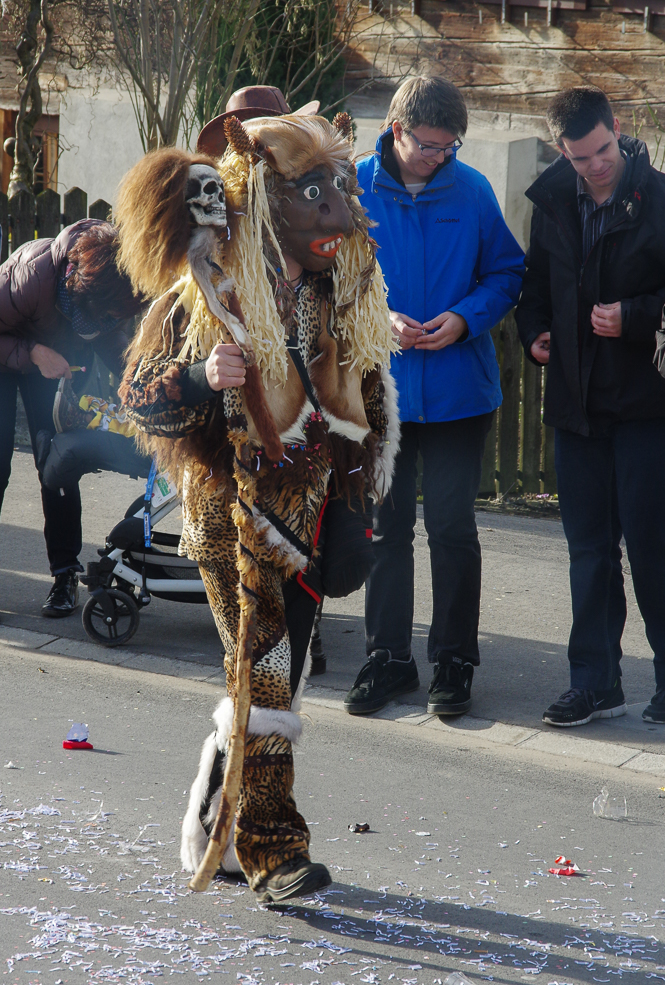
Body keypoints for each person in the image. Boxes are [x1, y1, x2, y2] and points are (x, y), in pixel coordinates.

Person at [116, 111, 398, 901]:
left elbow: (361, 412)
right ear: (264, 199)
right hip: (233, 522)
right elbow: (139, 398)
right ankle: (273, 851)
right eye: (314, 193)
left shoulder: (334, 294)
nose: (337, 210)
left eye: (338, 188)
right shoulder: (204, 294)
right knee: (268, 679)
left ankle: (216, 822)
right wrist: (204, 377)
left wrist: (355, 503)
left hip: (307, 523)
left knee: (277, 681)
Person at [343, 75, 524, 718]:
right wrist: (379, 316)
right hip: (379, 391)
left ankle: (454, 662)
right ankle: (388, 658)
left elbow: (508, 272)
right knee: (386, 529)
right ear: (396, 130)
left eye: (449, 146)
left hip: (458, 395)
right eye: (428, 144)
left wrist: (466, 318)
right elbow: (329, 275)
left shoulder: (471, 191)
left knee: (451, 528)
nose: (439, 156)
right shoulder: (352, 188)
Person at [515, 86, 665, 727]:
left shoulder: (661, 199)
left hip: (647, 408)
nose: (596, 165)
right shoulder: (549, 201)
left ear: (618, 129)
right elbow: (534, 287)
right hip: (575, 406)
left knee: (655, 547)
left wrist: (634, 316)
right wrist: (535, 332)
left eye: (603, 150)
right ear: (562, 150)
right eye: (580, 158)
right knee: (589, 553)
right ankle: (595, 682)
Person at [0, 220, 145, 617]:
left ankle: (64, 574)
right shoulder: (31, 277)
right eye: (98, 317)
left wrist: (141, 389)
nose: (102, 325)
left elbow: (114, 347)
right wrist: (33, 352)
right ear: (77, 289)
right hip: (8, 350)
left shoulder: (111, 284)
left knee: (58, 461)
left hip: (57, 366)